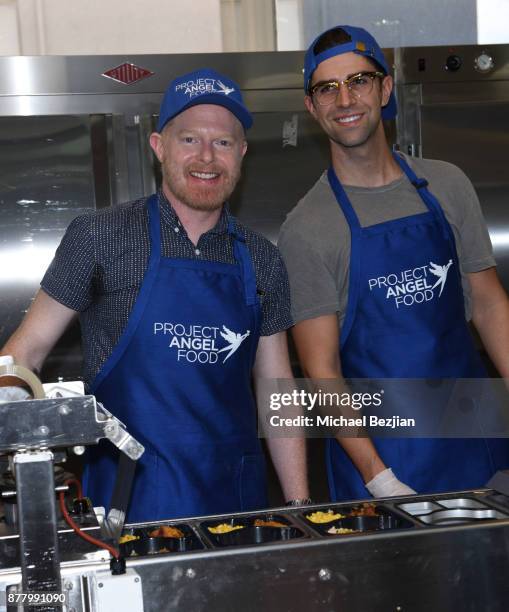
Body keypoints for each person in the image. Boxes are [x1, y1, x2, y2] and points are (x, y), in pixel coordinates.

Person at [1, 68, 309, 521]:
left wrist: (299, 506)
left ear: (242, 154)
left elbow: (277, 390)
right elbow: (25, 353)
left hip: (235, 505)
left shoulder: (263, 258)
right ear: (159, 146)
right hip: (122, 505)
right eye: (188, 139)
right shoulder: (98, 237)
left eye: (222, 142)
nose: (206, 156)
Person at [278, 25, 509, 500]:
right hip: (383, 464)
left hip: (480, 447)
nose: (345, 99)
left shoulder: (447, 185)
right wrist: (380, 479)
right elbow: (322, 371)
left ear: (384, 89)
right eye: (327, 87)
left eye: (358, 80)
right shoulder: (307, 229)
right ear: (312, 107)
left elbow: (488, 306)